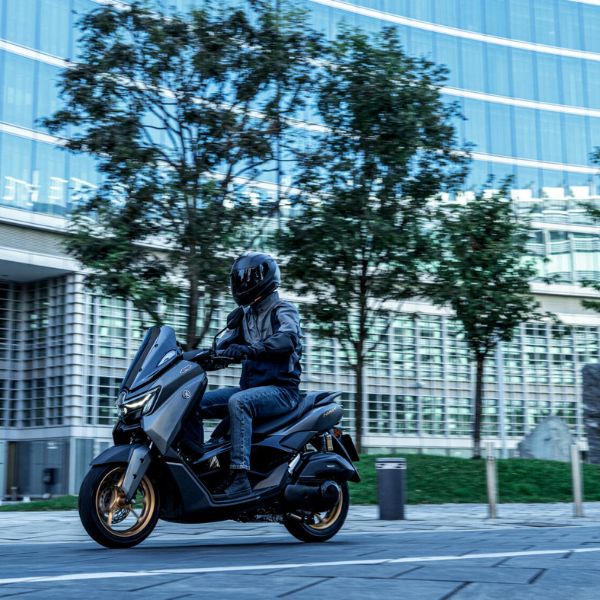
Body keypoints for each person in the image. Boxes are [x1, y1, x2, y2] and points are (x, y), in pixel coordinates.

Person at [200, 251, 303, 499]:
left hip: (282, 390)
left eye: (246, 278)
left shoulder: (283, 309)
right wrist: (193, 358)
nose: (241, 284)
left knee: (239, 402)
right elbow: (222, 348)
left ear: (263, 279)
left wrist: (250, 349)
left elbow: (288, 338)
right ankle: (198, 465)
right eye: (238, 279)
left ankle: (240, 478)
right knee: (194, 402)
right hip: (251, 389)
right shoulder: (245, 316)